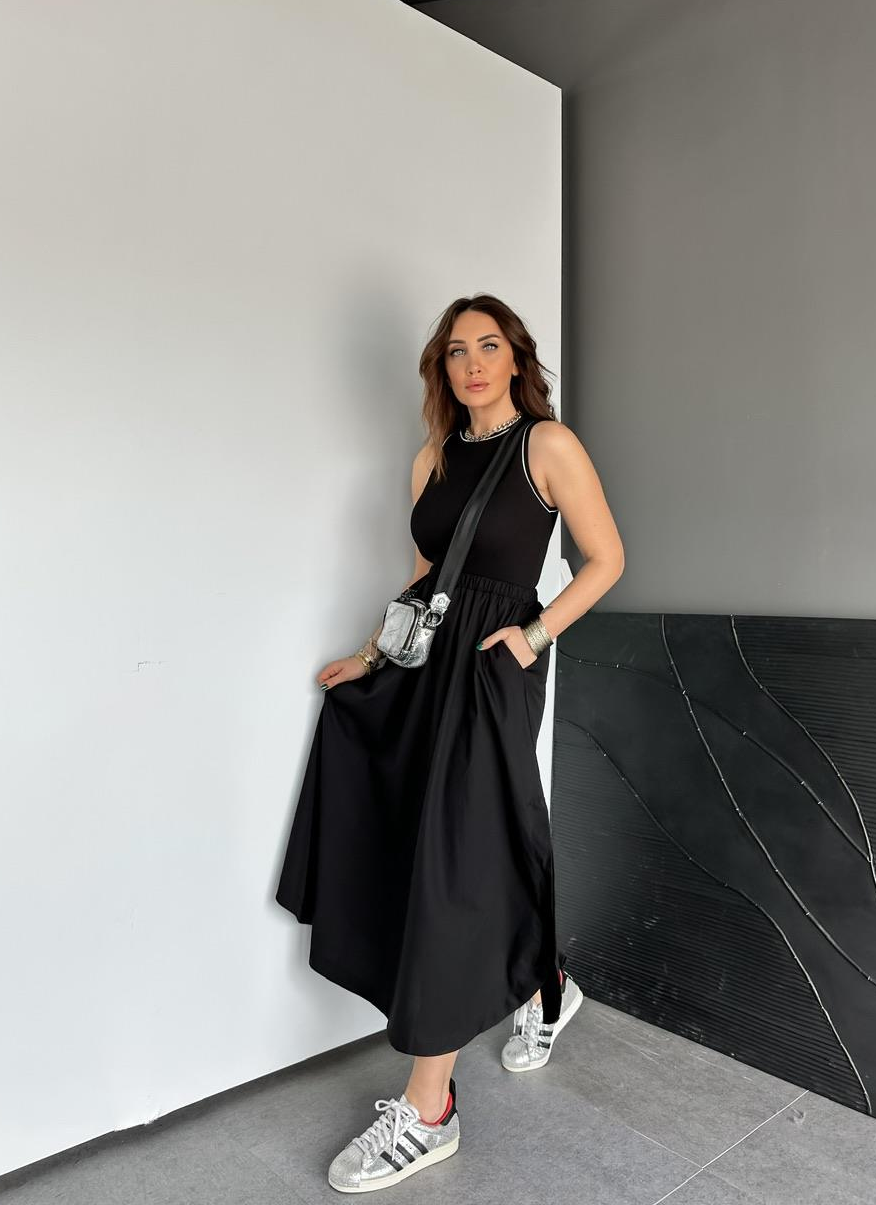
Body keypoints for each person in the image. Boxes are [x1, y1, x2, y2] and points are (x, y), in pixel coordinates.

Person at [275, 293, 625, 1192]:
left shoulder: (548, 445)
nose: (472, 363)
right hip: (426, 668)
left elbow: (608, 560)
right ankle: (546, 986)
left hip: (493, 667)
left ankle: (430, 1109)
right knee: (434, 836)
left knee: (456, 854)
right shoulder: (431, 457)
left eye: (489, 346)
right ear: (442, 366)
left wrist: (533, 637)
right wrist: (368, 656)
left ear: (516, 358)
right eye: (457, 350)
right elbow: (428, 576)